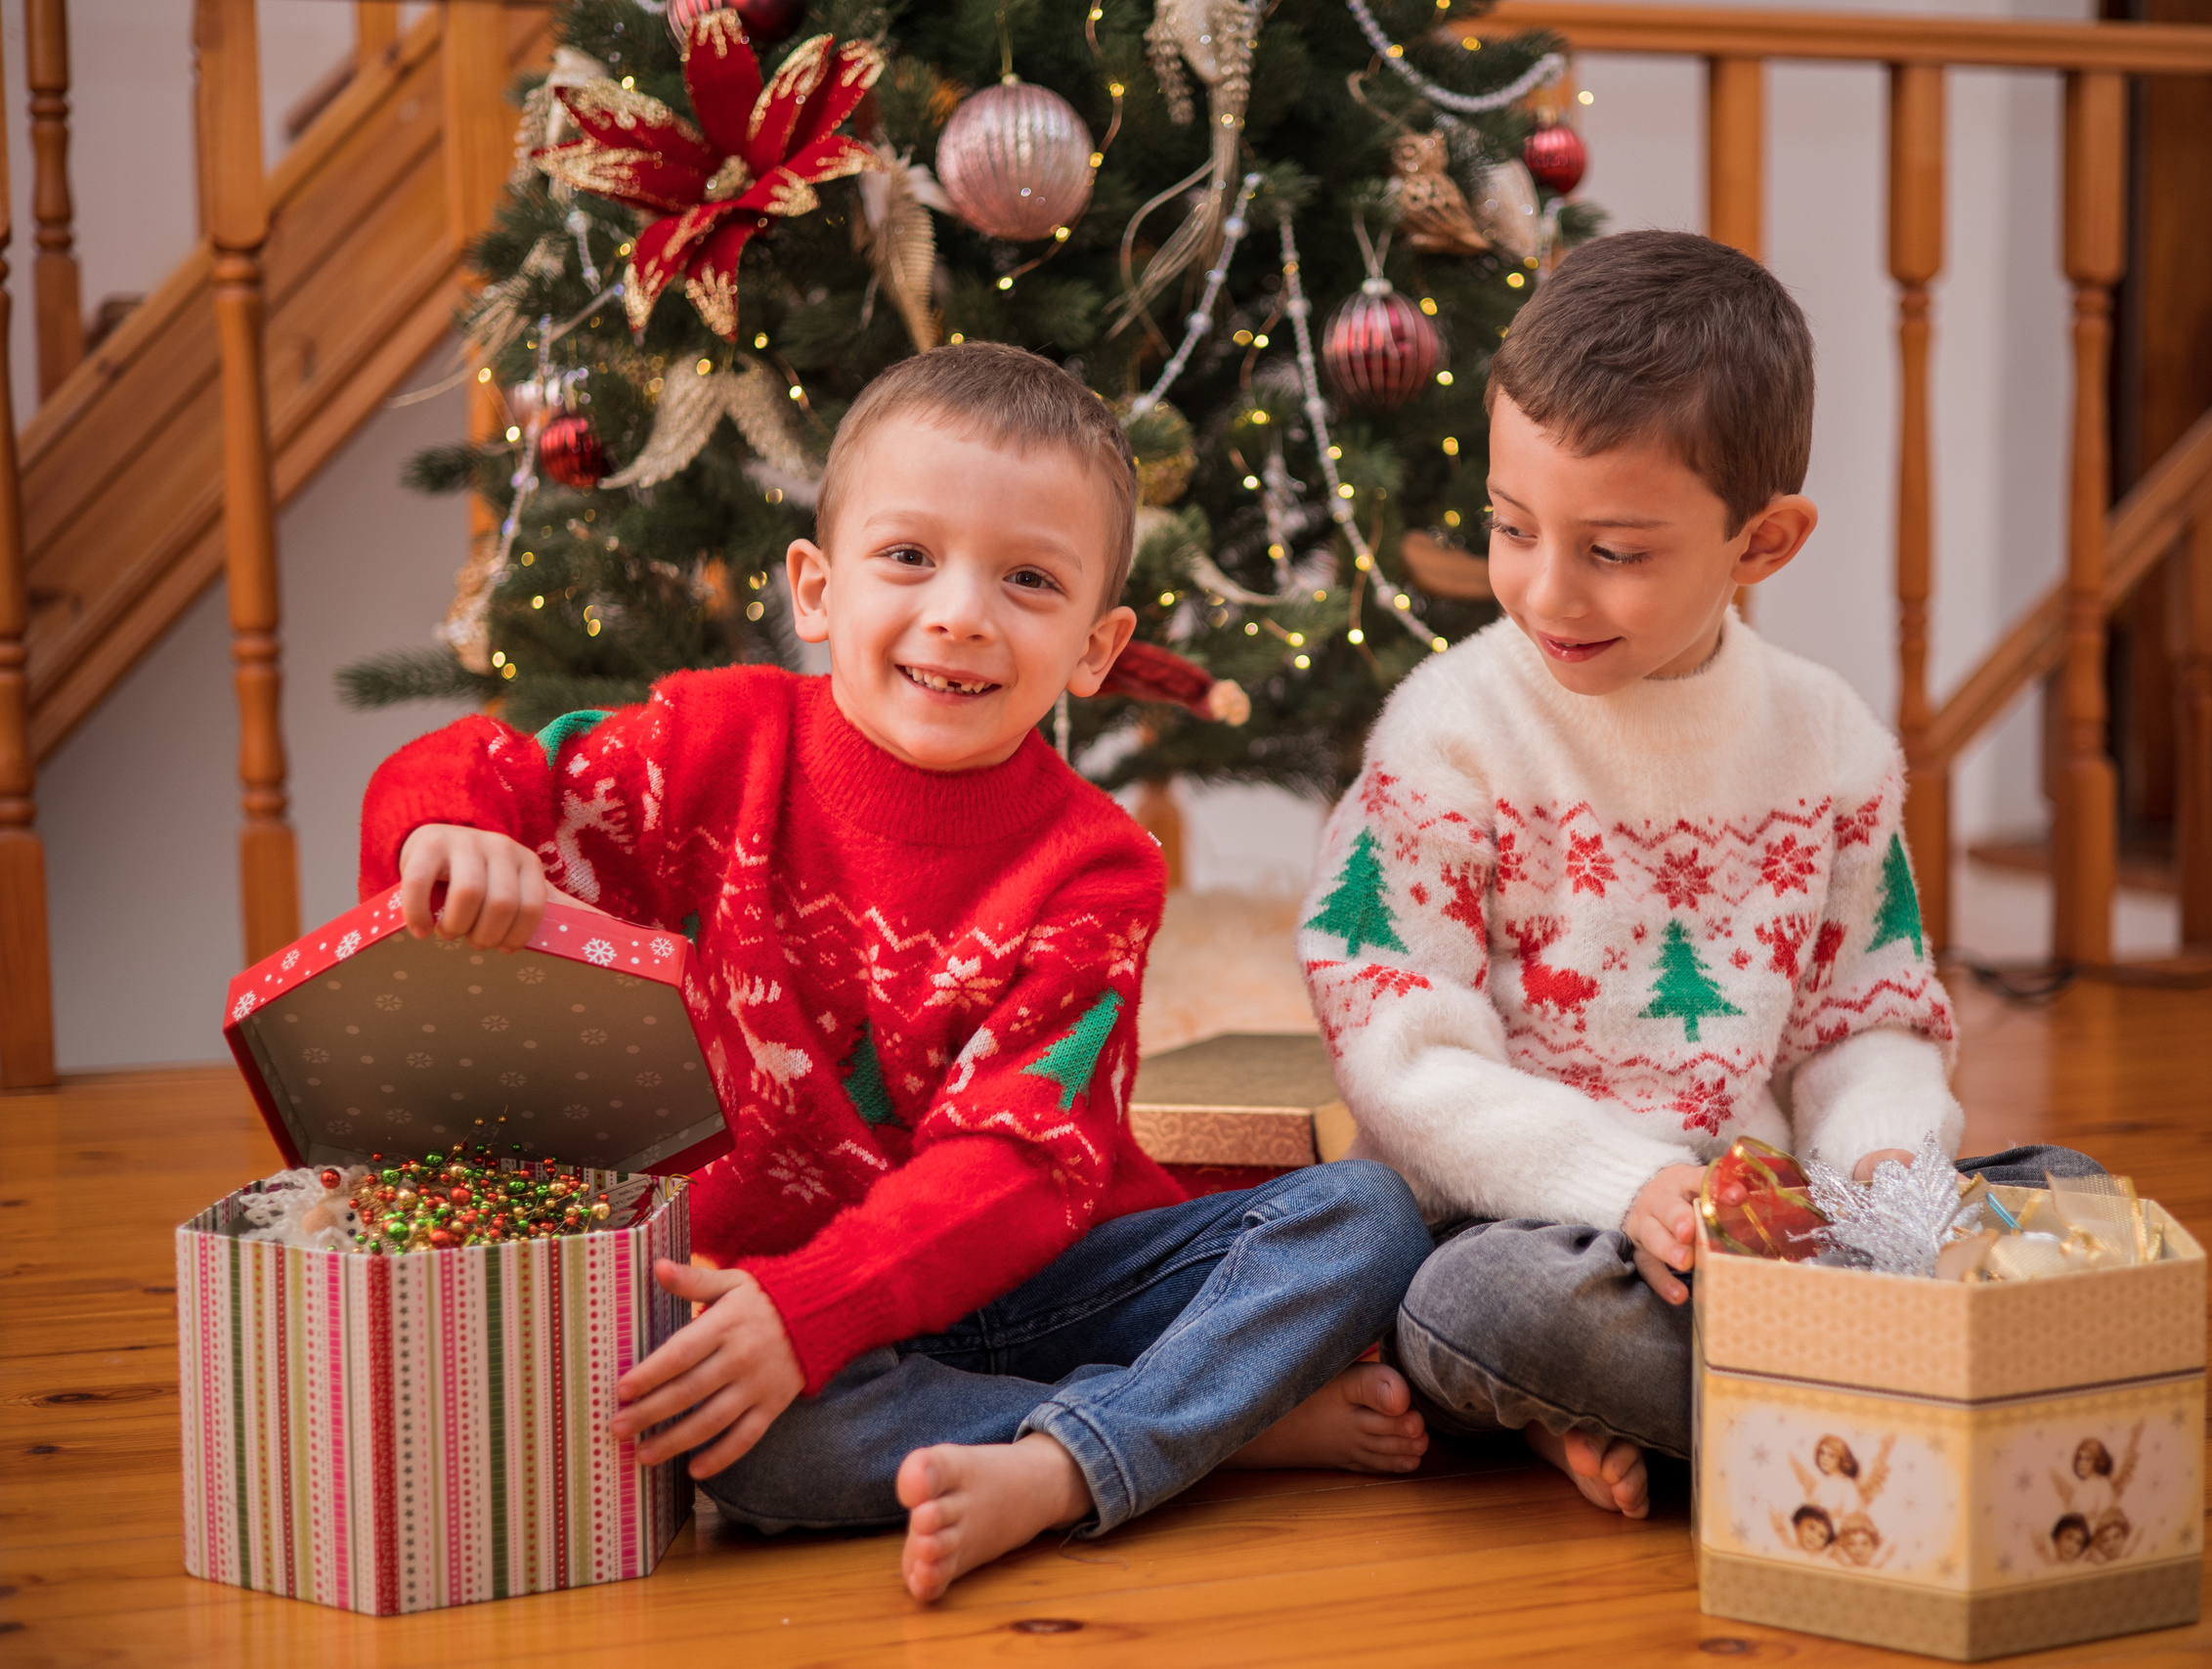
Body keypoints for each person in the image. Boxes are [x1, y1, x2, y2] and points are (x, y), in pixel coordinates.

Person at [362, 343, 1433, 1601]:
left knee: (1361, 1219)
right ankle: (1204, 1425)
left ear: (1096, 645)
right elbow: (491, 764)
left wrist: (817, 1305)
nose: (961, 612)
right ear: (816, 589)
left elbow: (1022, 1164)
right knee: (751, 1453)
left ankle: (1070, 1462)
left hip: (1025, 1278)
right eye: (909, 557)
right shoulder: (712, 744)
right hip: (783, 1312)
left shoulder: (1096, 867)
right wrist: (446, 830)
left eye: (1028, 579)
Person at [1296, 231, 2100, 1521]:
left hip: (1770, 1239)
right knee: (1473, 1308)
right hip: (1539, 1225)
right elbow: (1406, 1057)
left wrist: (1887, 1188)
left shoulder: (1828, 737)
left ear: (1762, 541)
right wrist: (1625, 1186)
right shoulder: (1446, 735)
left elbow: (1867, 1022)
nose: (1545, 588)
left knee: (2049, 1182)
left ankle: (1714, 1408)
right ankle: (1900, 1409)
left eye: (1613, 550)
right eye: (1512, 526)